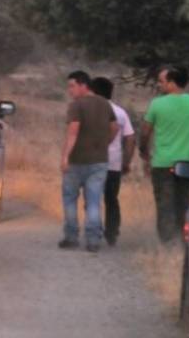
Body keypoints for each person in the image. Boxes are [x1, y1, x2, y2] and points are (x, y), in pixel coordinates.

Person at [139, 65, 189, 244]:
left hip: (162, 163)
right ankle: (183, 241)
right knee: (184, 203)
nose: (159, 85)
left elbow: (145, 132)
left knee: (165, 205)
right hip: (188, 163)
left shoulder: (157, 104)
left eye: (162, 81)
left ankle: (167, 243)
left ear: (172, 83)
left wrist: (144, 150)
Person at [60, 71, 118, 253]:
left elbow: (73, 132)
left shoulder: (76, 106)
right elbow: (114, 127)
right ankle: (93, 240)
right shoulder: (105, 104)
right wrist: (104, 143)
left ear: (83, 85)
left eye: (72, 86)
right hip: (99, 161)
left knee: (70, 199)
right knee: (93, 201)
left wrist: (65, 157)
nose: (70, 90)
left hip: (77, 161)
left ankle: (71, 237)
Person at [89, 77, 135, 247]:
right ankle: (112, 233)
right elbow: (130, 138)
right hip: (114, 163)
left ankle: (94, 231)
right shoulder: (121, 112)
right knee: (111, 199)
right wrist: (127, 161)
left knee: (92, 199)